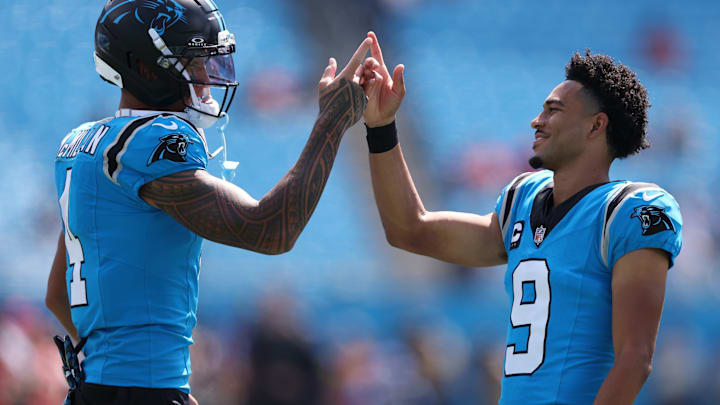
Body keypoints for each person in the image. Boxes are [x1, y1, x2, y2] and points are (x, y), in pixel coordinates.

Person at [44, 0, 372, 403]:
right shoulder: (151, 139)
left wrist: (118, 371)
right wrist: (332, 123)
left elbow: (58, 295)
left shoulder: (78, 144)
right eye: (193, 62)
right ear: (147, 68)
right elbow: (271, 231)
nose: (206, 76)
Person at [360, 32, 682, 404]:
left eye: (553, 110)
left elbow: (635, 357)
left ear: (596, 126)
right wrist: (381, 127)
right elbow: (409, 230)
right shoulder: (522, 200)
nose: (536, 120)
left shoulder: (629, 210)